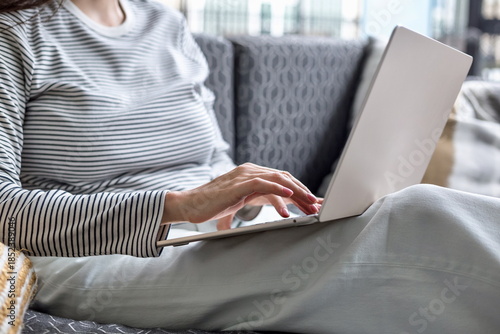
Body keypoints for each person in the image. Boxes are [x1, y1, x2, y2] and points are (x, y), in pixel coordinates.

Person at [0, 1, 499, 333]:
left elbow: (210, 161)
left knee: (389, 217)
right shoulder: (14, 36)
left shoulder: (166, 27)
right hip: (92, 257)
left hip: (199, 238)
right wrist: (180, 206)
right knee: (416, 218)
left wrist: (240, 206)